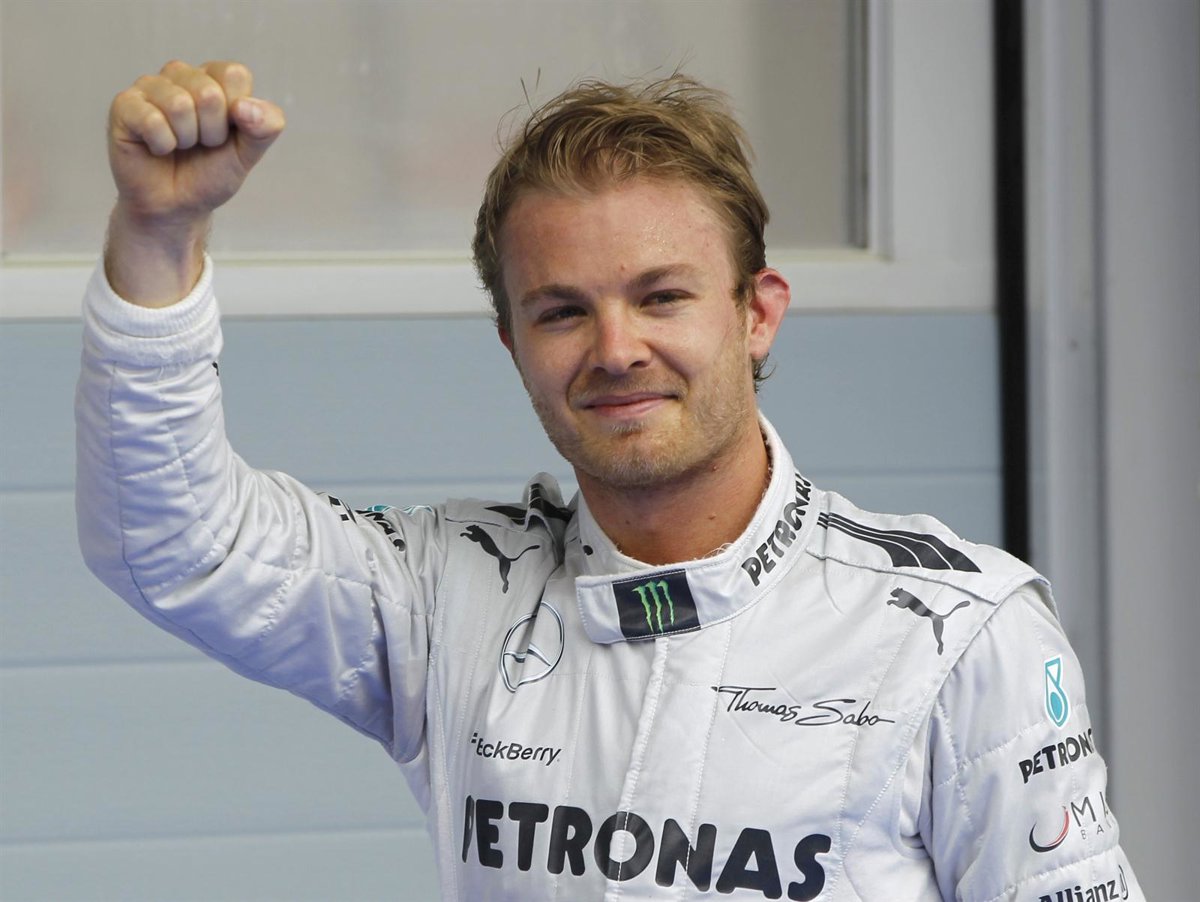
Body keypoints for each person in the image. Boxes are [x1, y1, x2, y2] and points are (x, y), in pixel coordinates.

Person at [77, 60, 1143, 901]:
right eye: (563, 311)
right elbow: (180, 541)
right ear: (512, 341)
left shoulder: (957, 630)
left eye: (662, 296)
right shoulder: (450, 592)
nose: (617, 349)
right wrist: (158, 239)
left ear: (757, 312)